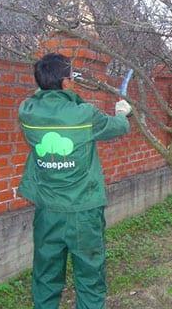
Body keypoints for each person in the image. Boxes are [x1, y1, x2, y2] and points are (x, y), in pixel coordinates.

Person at [18, 53, 132, 308]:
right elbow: (117, 127)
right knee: (90, 278)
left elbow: (40, 99)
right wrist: (123, 114)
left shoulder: (27, 112)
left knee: (45, 277)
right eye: (71, 77)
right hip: (83, 211)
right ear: (66, 82)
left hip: (47, 211)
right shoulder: (85, 114)